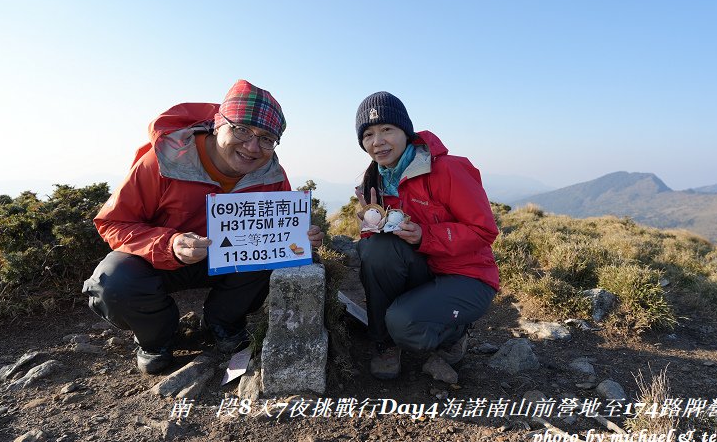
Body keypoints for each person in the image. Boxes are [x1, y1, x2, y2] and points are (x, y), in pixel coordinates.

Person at [82, 80, 324, 374]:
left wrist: (301, 236)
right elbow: (114, 222)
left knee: (280, 255)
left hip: (226, 260)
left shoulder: (270, 172)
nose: (252, 146)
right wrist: (169, 244)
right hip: (157, 259)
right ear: (217, 124)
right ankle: (157, 338)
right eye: (242, 129)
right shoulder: (163, 161)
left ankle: (222, 321)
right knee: (113, 281)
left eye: (266, 138)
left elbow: (280, 230)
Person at [353, 91, 499, 384]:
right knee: (374, 250)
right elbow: (384, 248)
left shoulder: (447, 169)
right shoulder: (375, 180)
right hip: (424, 269)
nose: (377, 141)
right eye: (368, 134)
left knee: (404, 324)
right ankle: (385, 345)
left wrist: (425, 235)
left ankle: (454, 334)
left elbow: (484, 230)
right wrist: (368, 225)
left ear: (405, 131)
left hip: (466, 276)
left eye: (386, 130)